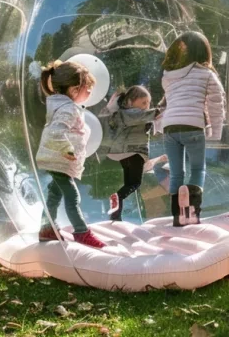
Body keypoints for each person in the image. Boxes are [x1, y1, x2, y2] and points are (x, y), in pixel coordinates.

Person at [34, 60, 106, 248]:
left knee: (54, 194)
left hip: (56, 159)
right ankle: (81, 232)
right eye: (88, 88)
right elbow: (56, 132)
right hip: (59, 159)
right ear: (75, 89)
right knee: (73, 196)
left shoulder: (63, 106)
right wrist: (67, 150)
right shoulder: (68, 108)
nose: (90, 92)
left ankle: (47, 228)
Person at [158, 32, 226, 227]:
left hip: (170, 128)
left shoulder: (168, 76)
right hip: (193, 126)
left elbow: (170, 103)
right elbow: (216, 104)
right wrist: (215, 132)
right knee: (197, 169)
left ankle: (177, 217)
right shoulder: (206, 74)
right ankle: (193, 213)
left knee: (177, 173)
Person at [101, 86, 161, 222]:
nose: (146, 106)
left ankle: (116, 216)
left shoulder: (121, 113)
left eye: (148, 103)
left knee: (129, 183)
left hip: (122, 153)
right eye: (143, 102)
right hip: (134, 152)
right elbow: (146, 115)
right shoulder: (131, 113)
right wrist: (160, 112)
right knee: (135, 183)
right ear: (130, 102)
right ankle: (118, 196)